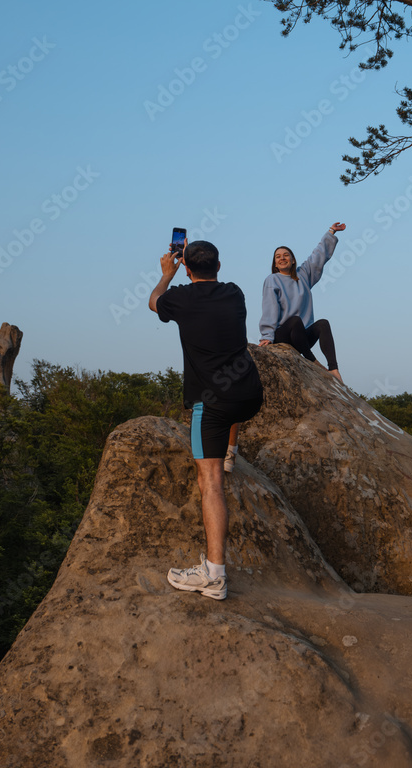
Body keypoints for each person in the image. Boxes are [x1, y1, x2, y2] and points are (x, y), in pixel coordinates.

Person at [149, 239, 262, 601]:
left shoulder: (180, 298)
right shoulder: (234, 293)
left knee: (209, 481)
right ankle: (231, 449)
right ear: (219, 265)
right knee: (230, 407)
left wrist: (165, 275)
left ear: (186, 268)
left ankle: (214, 576)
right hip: (249, 395)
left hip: (213, 405)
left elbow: (154, 303)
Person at [259, 222, 345, 382]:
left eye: (286, 255)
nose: (282, 258)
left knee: (323, 324)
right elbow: (269, 308)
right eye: (278, 257)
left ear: (292, 260)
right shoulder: (273, 280)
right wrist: (267, 336)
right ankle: (313, 362)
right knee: (295, 321)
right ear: (275, 263)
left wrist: (331, 232)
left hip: (301, 339)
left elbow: (318, 256)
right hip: (282, 336)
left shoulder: (303, 276)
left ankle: (333, 369)